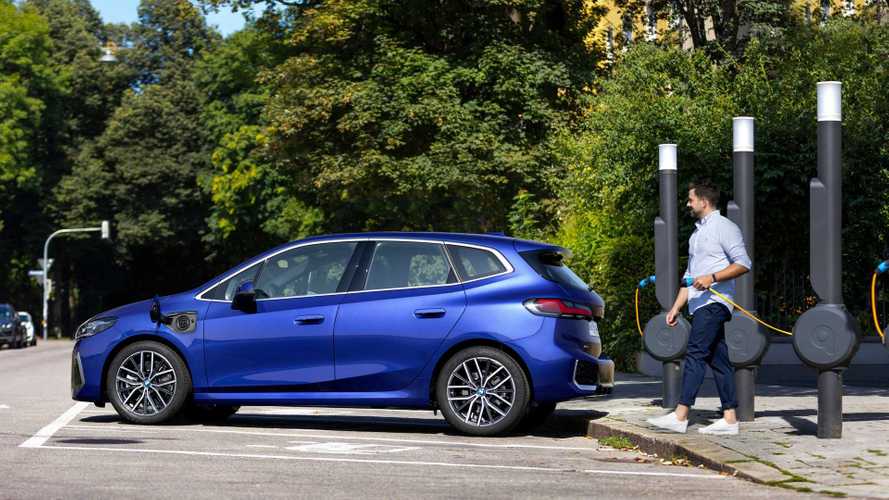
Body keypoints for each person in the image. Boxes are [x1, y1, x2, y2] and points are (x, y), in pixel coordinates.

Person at [647, 179, 752, 435]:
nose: (688, 203)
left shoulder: (724, 227)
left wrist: (713, 277)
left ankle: (681, 415)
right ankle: (729, 419)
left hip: (715, 303)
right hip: (698, 305)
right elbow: (689, 276)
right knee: (720, 362)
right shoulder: (697, 234)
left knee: (695, 354)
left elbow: (744, 263)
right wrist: (675, 307)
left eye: (691, 199)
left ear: (704, 201)